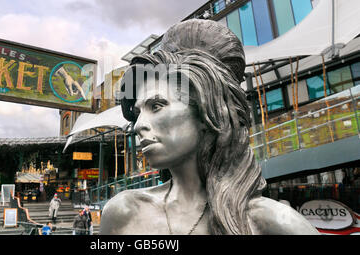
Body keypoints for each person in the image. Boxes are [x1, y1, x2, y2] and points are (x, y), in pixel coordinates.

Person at [100, 19, 319, 235]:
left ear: (207, 113)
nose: (138, 125)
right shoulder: (124, 213)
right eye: (137, 113)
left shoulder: (275, 223)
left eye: (156, 106)